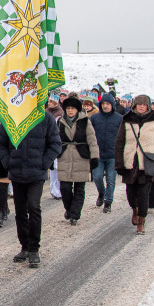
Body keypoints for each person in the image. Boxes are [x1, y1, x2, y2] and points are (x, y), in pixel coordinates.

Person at [0, 109, 62, 269]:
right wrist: (8, 162)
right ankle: (24, 246)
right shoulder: (11, 116)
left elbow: (56, 144)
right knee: (20, 211)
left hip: (36, 174)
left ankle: (34, 249)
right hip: (17, 172)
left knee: (34, 207)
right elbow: (0, 143)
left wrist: (43, 163)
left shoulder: (46, 118)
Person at [116, 95, 154, 234]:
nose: (141, 106)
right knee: (130, 192)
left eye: (144, 104)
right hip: (130, 162)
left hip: (147, 163)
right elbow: (119, 142)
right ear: (134, 106)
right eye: (138, 104)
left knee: (143, 194)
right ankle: (134, 209)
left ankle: (141, 221)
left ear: (148, 106)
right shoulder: (127, 121)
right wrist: (119, 163)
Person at [56, 96, 99, 225]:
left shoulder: (85, 121)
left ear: (77, 110)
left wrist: (95, 157)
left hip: (81, 156)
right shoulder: (60, 122)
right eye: (68, 108)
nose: (70, 111)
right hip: (65, 156)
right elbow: (55, 140)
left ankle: (75, 214)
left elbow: (92, 140)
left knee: (79, 188)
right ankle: (69, 209)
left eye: (72, 108)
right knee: (65, 188)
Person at [90, 93, 123, 212]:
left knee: (110, 179)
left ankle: (108, 202)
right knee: (97, 177)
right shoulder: (94, 118)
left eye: (107, 104)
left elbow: (122, 136)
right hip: (98, 154)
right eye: (103, 104)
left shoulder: (119, 118)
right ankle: (101, 193)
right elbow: (89, 134)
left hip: (113, 155)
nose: (105, 106)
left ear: (112, 105)